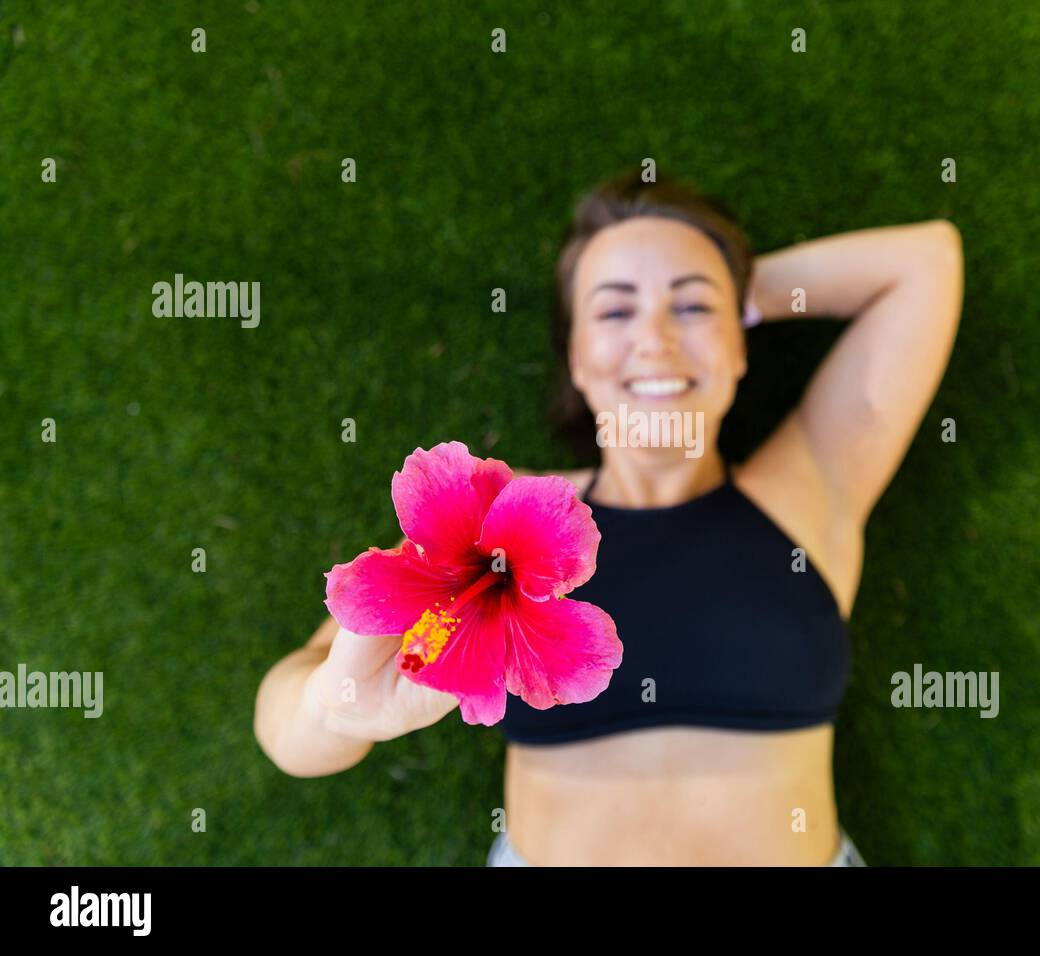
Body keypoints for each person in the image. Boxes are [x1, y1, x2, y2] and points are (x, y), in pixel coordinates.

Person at [254, 171, 963, 866]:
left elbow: (926, 261)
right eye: (615, 311)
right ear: (576, 357)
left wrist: (736, 284)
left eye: (691, 308)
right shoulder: (497, 516)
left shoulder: (811, 484)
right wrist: (334, 709)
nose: (654, 338)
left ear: (742, 342)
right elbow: (288, 717)